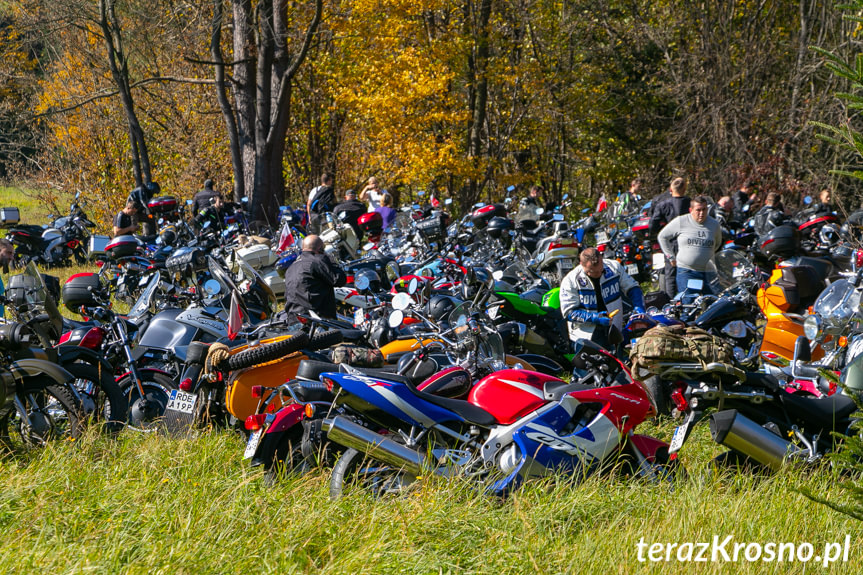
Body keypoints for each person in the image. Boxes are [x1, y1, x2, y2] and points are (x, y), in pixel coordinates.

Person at [560, 247, 645, 350]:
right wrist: (596, 318)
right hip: (586, 336)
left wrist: (639, 307)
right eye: (593, 272)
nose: (598, 274)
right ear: (582, 264)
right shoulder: (570, 280)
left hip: (614, 328)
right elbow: (569, 313)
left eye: (601, 270)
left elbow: (632, 287)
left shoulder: (614, 267)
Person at [657, 196, 722, 304]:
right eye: (698, 210)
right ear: (691, 210)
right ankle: (685, 321)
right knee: (689, 305)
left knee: (713, 304)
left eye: (704, 209)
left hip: (709, 272)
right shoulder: (681, 221)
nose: (701, 213)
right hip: (687, 271)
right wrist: (670, 256)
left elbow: (717, 243)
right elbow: (662, 236)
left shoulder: (714, 224)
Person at [283, 235, 347, 319]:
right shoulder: (318, 260)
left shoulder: (291, 267)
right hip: (316, 318)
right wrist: (332, 262)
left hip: (293, 316)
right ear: (320, 249)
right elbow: (339, 280)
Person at [649, 177, 690, 299]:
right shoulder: (691, 203)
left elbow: (652, 224)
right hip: (688, 242)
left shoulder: (663, 204)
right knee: (688, 271)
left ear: (671, 189)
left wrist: (657, 234)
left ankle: (671, 303)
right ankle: (689, 300)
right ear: (685, 189)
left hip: (670, 242)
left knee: (670, 275)